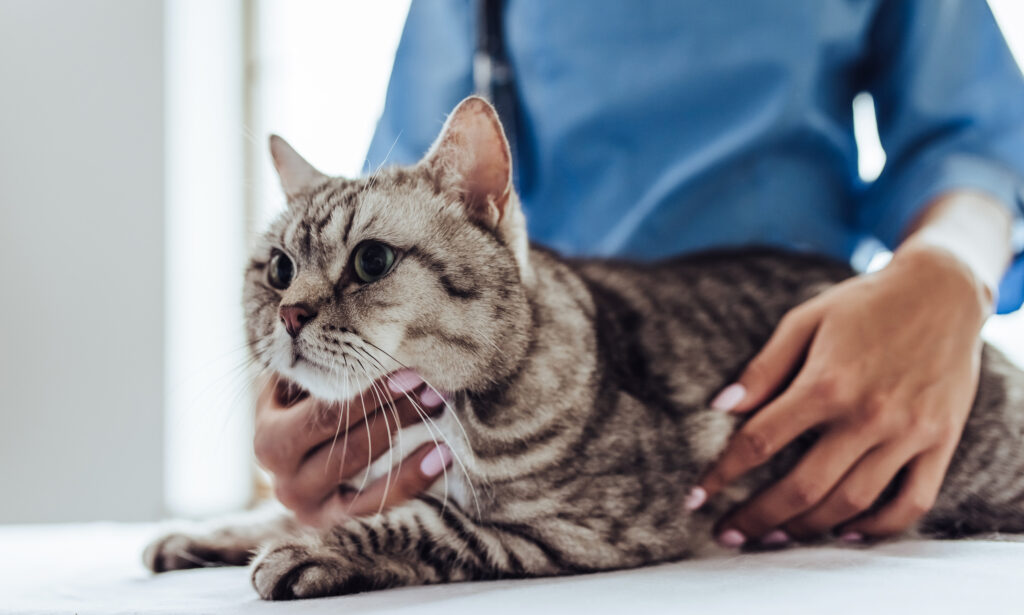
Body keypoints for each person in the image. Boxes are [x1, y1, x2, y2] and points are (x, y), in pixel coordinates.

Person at [254, 0, 1024, 546]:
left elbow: (976, 137)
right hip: (529, 388)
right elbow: (391, 215)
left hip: (809, 377)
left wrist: (949, 270)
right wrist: (321, 399)